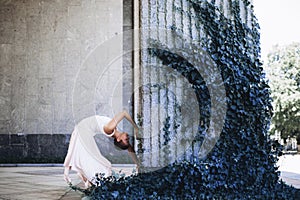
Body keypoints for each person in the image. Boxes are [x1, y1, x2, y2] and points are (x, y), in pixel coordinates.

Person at [63, 110, 140, 188]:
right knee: (93, 158)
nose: (128, 137)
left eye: (126, 139)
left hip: (83, 130)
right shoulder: (113, 130)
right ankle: (91, 179)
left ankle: (93, 180)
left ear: (118, 139)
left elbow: (124, 113)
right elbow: (129, 148)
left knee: (96, 160)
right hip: (83, 129)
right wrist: (138, 164)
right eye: (128, 139)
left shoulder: (109, 128)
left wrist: (136, 128)